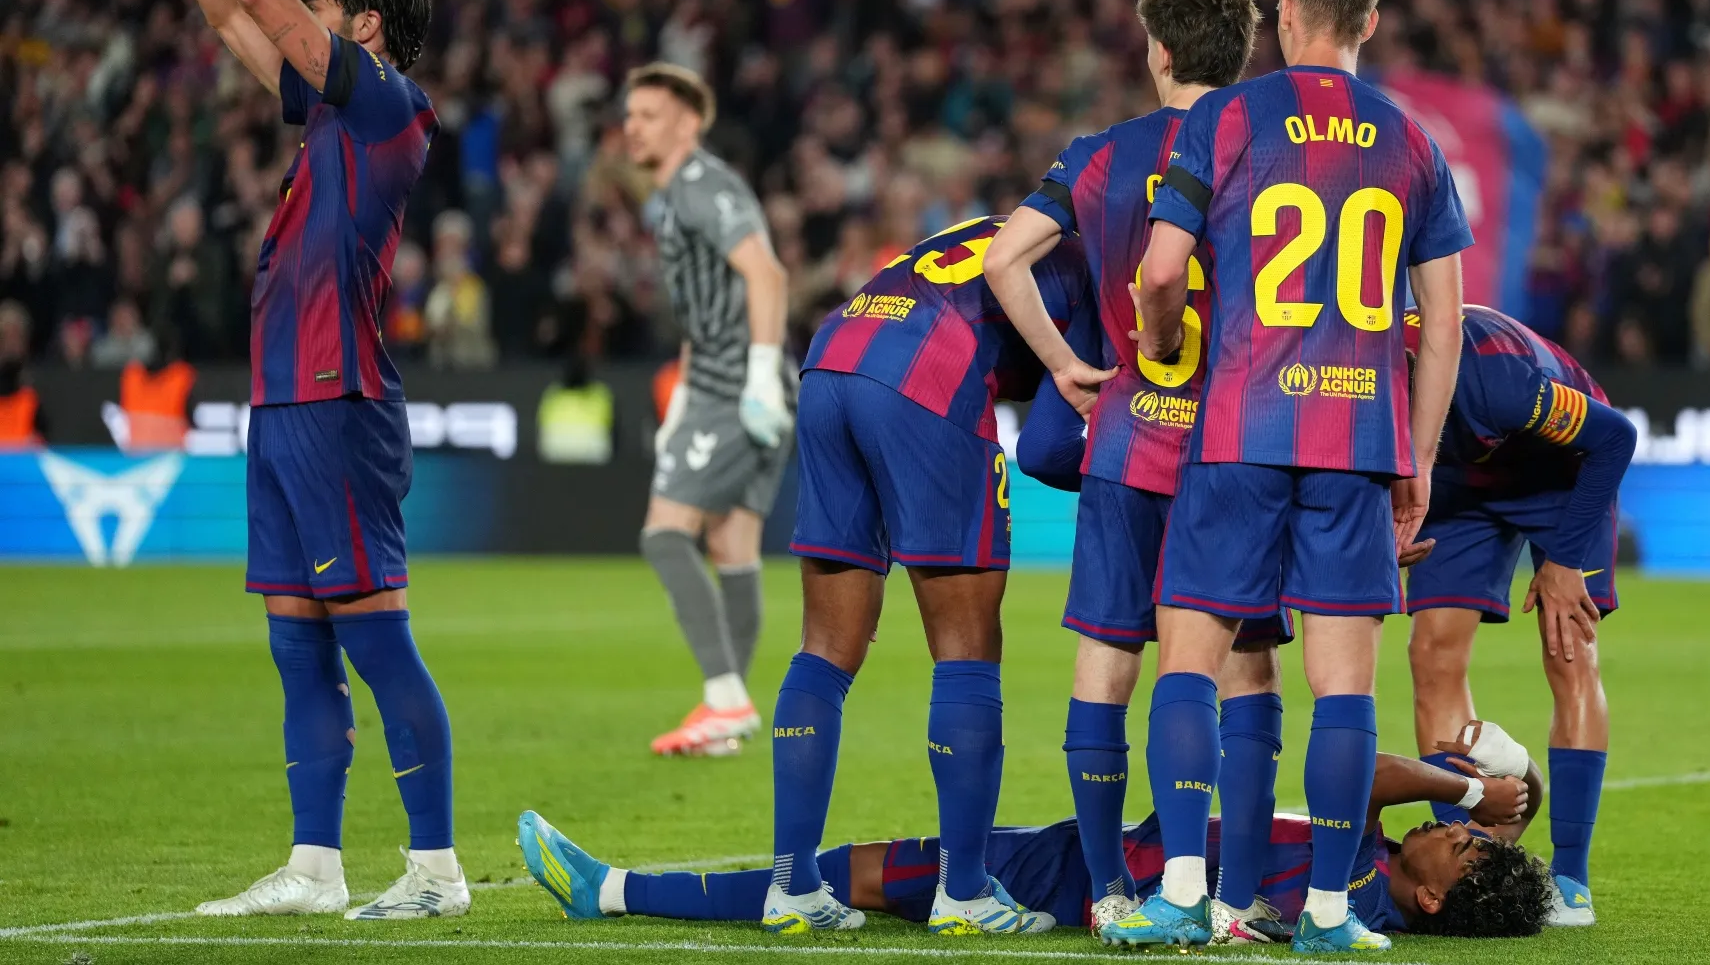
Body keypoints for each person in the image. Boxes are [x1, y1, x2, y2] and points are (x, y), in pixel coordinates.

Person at [1125, 0, 1471, 952]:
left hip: (1239, 426)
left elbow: (1158, 273)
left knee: (1190, 663)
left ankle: (1185, 893)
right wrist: (1417, 458)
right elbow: (1443, 326)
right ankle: (1327, 911)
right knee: (1344, 688)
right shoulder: (1412, 138)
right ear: (1369, 20)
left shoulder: (1228, 117)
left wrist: (1164, 340)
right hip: (1358, 439)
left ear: (1282, 12)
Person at [983, 0, 1289, 941]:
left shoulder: (1105, 153)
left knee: (1106, 667)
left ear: (1157, 50)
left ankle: (1111, 890)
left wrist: (1065, 363)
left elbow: (1001, 258)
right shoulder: (1267, 153)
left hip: (1124, 442)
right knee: (1241, 673)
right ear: (1238, 56)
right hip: (1237, 449)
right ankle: (1234, 898)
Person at [180, 0, 463, 920]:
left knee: (376, 638)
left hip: (337, 395)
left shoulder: (384, 101)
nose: (293, 11)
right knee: (296, 637)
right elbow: (224, 2)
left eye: (316, 0)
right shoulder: (332, 112)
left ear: (366, 22)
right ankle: (314, 867)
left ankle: (435, 871)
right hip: (285, 399)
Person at [768, 216, 1096, 936]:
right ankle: (967, 891)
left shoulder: (1005, 225)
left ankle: (791, 885)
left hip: (834, 353)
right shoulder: (1103, 265)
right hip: (931, 370)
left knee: (825, 646)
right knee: (967, 645)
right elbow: (1044, 447)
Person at [517, 746, 1552, 940]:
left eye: (1459, 850)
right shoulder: (1367, 874)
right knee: (853, 875)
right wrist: (1492, 801)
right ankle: (616, 887)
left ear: (1428, 900)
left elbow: (1358, 772)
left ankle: (611, 891)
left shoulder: (1355, 896)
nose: (1455, 830)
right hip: (1100, 856)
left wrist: (1472, 785)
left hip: (1068, 873)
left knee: (846, 876)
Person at [1403, 304, 1636, 928]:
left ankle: (1571, 879)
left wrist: (1562, 562)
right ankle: (1462, 864)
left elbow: (1616, 438)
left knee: (1568, 647)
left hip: (1562, 474)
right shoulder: (1358, 377)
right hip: (1458, 485)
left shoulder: (1495, 377)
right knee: (1431, 655)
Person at [626, 63, 794, 758]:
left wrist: (754, 378)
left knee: (665, 535)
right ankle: (728, 713)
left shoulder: (702, 186)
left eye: (649, 115)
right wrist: (684, 400)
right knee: (732, 545)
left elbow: (767, 274)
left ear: (688, 124)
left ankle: (725, 698)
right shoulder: (674, 199)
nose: (633, 126)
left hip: (740, 386)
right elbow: (701, 315)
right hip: (730, 382)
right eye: (630, 115)